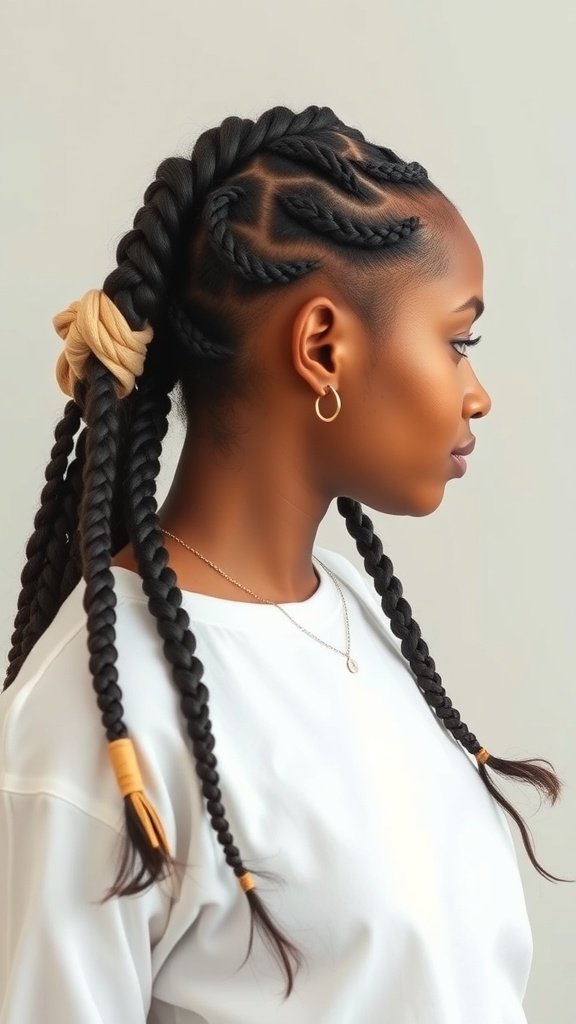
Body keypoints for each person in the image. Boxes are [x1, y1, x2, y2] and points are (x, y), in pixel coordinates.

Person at [0, 104, 570, 1024]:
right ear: (321, 348)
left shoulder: (347, 604)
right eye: (457, 342)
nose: (478, 394)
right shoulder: (94, 723)